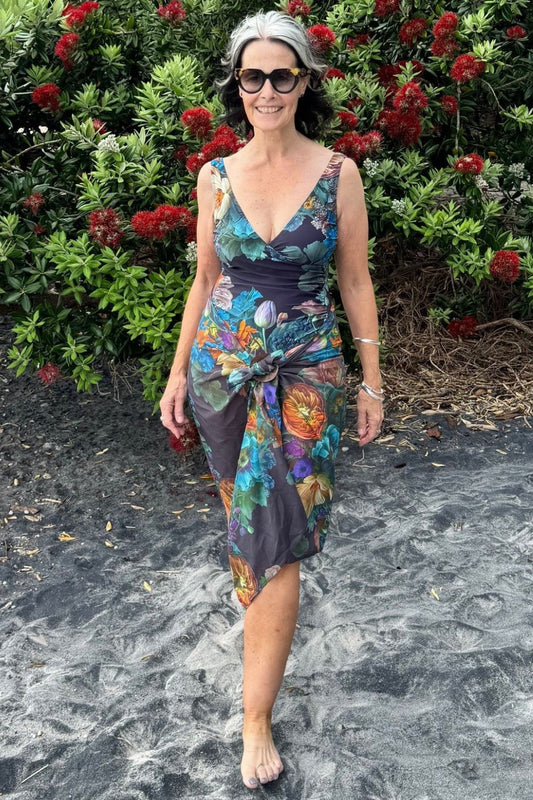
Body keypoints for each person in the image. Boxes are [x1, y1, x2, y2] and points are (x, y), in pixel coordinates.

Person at [159, 10, 383, 790]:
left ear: (303, 81)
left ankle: (254, 715)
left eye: (280, 75)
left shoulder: (337, 174)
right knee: (246, 522)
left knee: (275, 531)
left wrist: (371, 380)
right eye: (251, 76)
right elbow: (206, 281)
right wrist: (177, 373)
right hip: (222, 375)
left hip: (305, 376)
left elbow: (353, 280)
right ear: (236, 84)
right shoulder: (214, 178)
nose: (266, 90)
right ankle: (263, 641)